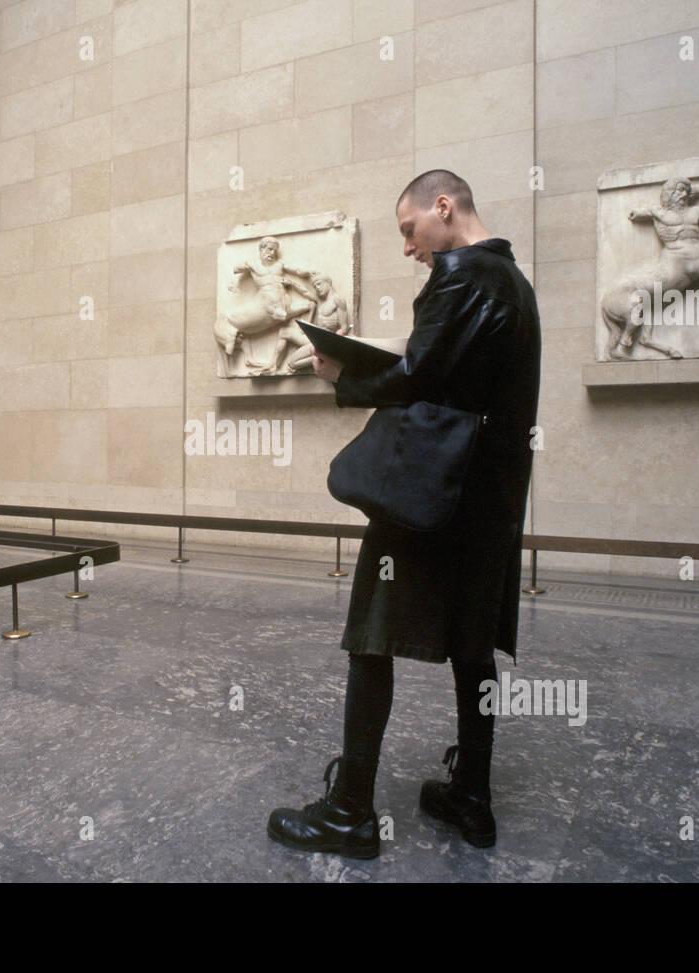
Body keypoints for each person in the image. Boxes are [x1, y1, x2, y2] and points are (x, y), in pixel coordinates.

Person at [266, 170, 542, 858]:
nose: (409, 248)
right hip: (490, 503)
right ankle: (471, 800)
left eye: (409, 230)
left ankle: (349, 811)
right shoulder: (516, 285)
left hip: (431, 493)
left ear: (443, 207)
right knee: (473, 650)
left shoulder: (460, 274)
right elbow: (453, 377)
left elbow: (418, 376)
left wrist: (342, 373)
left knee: (371, 634)